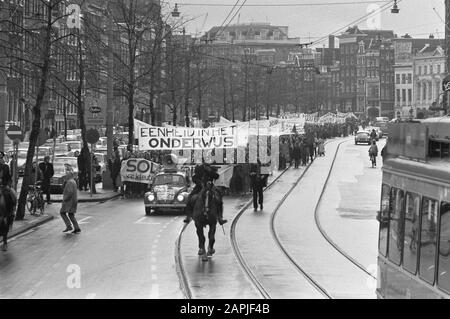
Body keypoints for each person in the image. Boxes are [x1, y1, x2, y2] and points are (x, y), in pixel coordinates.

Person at [60, 164, 80, 234]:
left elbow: (69, 192)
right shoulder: (73, 181)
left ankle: (69, 226)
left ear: (69, 176)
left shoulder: (69, 182)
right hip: (73, 201)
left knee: (62, 212)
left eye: (66, 176)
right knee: (71, 215)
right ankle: (76, 228)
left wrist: (65, 199)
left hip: (69, 202)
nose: (65, 176)